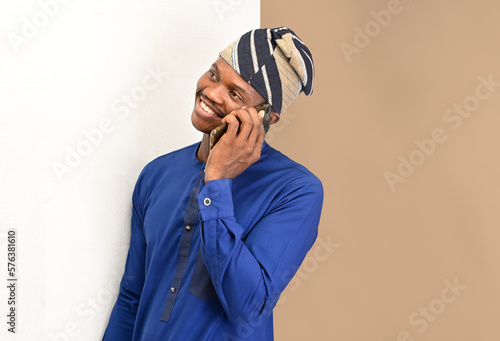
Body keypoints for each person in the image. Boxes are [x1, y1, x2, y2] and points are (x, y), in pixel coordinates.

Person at [102, 26, 323, 341]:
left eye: (234, 94)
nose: (211, 93)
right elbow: (132, 297)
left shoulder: (295, 190)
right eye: (214, 75)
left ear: (266, 118)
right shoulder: (157, 173)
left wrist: (217, 179)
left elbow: (248, 305)